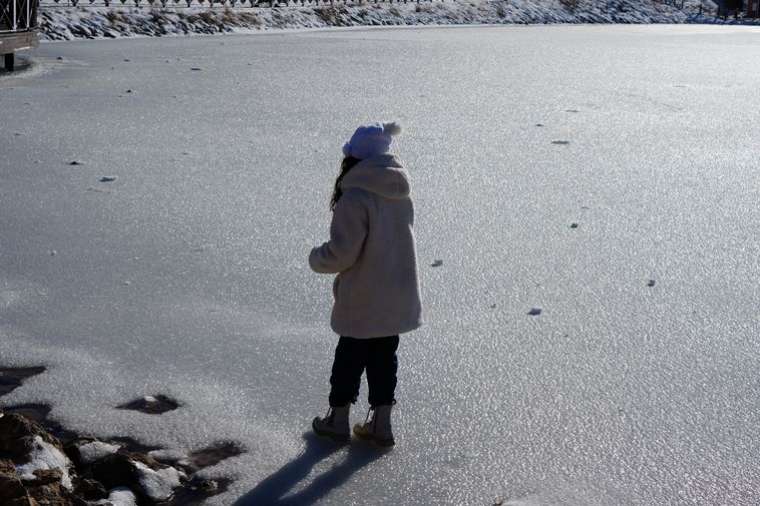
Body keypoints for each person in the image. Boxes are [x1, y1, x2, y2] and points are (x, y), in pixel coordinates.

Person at [309, 122, 422, 447]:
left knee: (349, 356)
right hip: (397, 292)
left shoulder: (355, 196)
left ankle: (338, 420)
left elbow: (343, 253)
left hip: (364, 296)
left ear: (353, 158)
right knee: (384, 357)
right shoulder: (399, 192)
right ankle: (381, 425)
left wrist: (317, 258)